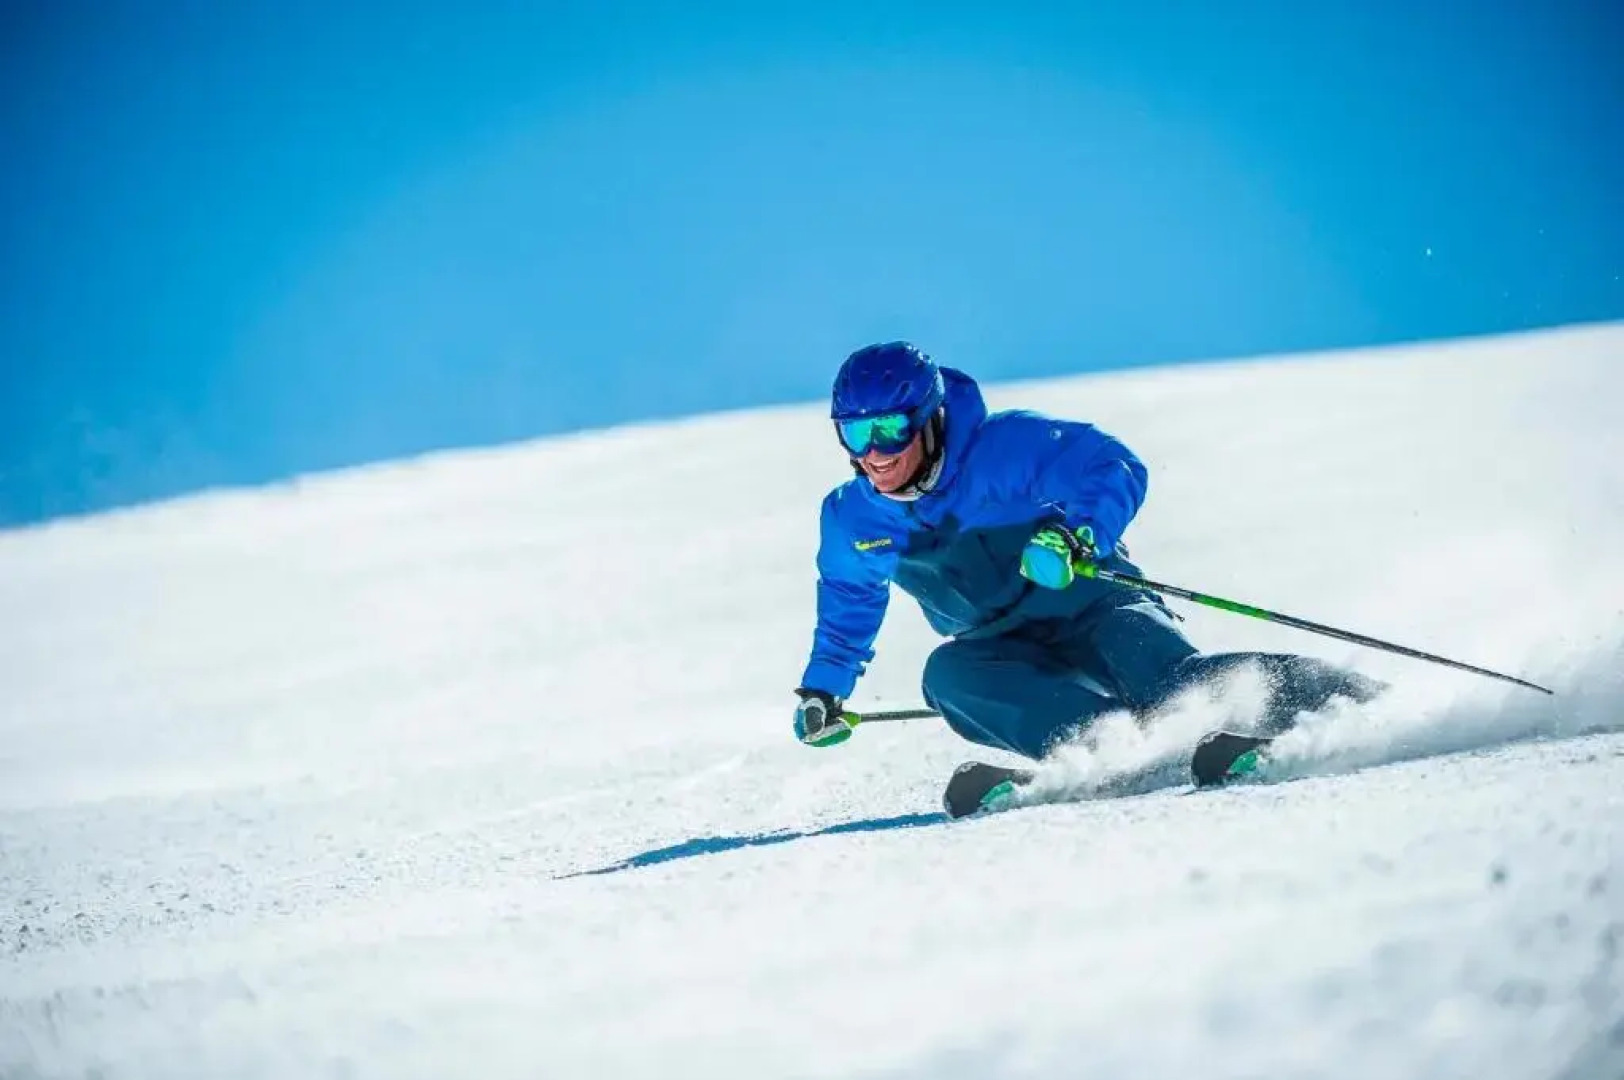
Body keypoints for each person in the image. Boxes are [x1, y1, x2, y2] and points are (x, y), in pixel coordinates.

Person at [791, 341, 1382, 773]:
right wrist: (823, 691)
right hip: (997, 646)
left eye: (890, 429)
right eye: (855, 434)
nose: (875, 453)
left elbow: (1113, 465)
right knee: (947, 678)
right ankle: (1108, 750)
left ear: (929, 418)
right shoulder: (853, 519)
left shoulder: (1004, 448)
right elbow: (849, 603)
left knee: (1171, 687)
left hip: (1095, 605)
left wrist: (1077, 538)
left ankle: (1357, 700)